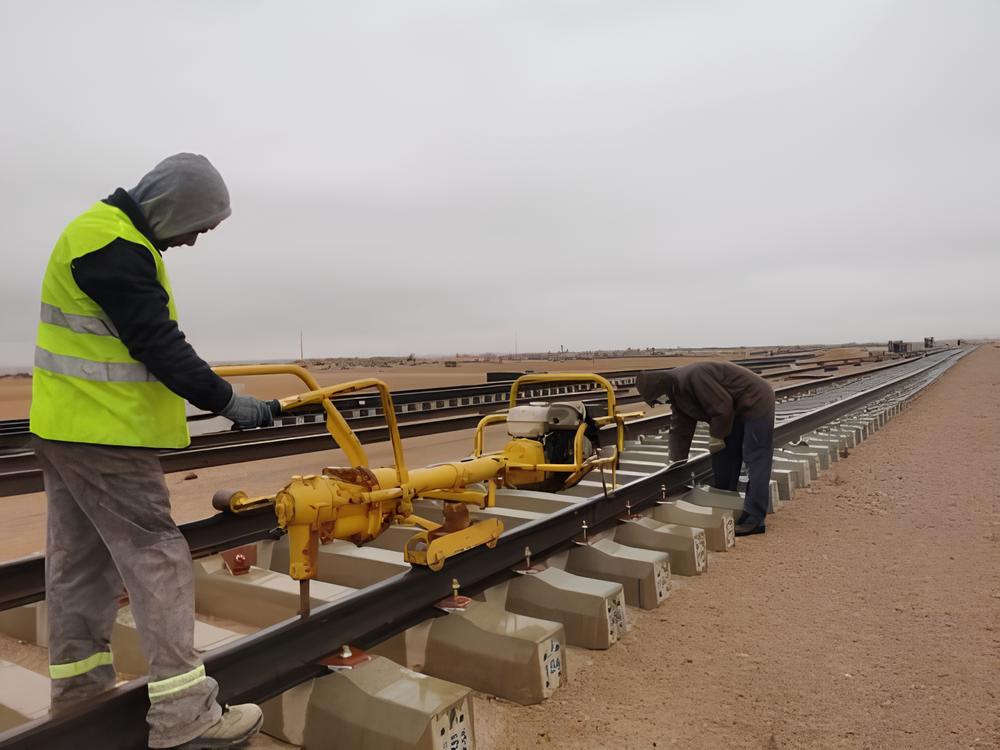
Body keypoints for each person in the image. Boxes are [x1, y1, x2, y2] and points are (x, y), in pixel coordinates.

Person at [29, 154, 276, 748]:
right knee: (157, 554)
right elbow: (157, 343)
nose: (194, 239)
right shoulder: (115, 245)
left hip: (67, 429)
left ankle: (80, 697)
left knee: (80, 564)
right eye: (198, 225)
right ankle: (184, 717)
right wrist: (228, 401)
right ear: (172, 207)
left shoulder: (99, 235)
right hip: (105, 435)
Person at [636, 361, 775, 536]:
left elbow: (722, 407)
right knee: (723, 454)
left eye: (658, 399)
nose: (660, 402)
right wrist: (676, 462)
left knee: (756, 456)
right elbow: (681, 429)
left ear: (662, 389)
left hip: (756, 400)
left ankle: (755, 519)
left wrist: (716, 436)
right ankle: (725, 500)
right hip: (734, 408)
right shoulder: (676, 390)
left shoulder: (693, 377)